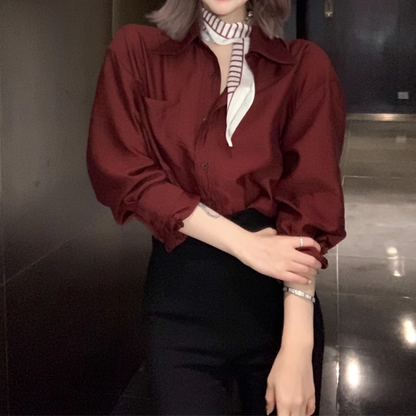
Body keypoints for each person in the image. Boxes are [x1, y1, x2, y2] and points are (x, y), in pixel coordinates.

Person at [87, 0, 346, 414]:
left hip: (277, 308)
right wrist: (246, 244)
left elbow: (310, 204)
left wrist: (298, 345)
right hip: (178, 306)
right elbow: (124, 173)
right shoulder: (137, 51)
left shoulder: (304, 67)